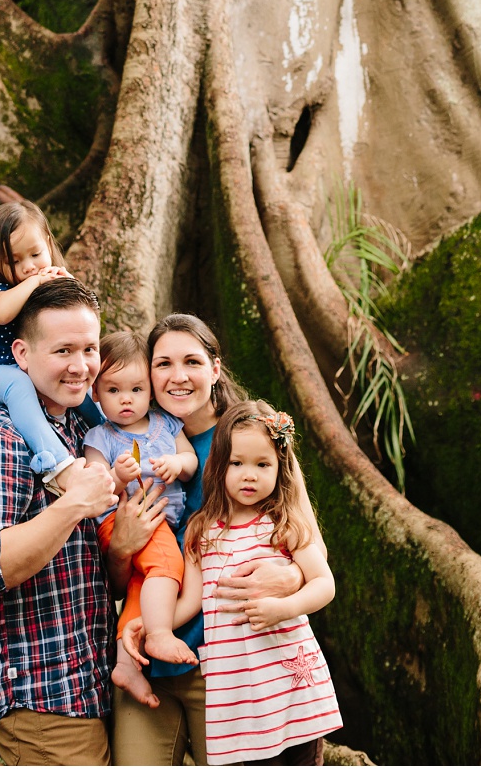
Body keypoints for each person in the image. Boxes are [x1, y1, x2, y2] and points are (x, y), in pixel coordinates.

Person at [0, 275, 129, 765]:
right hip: (42, 702)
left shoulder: (81, 429)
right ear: (21, 355)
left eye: (89, 349)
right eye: (63, 350)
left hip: (101, 688)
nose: (81, 366)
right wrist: (72, 504)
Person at [109, 314, 315, 767]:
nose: (177, 376)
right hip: (148, 663)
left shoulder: (255, 440)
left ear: (215, 369)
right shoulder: (128, 438)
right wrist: (121, 550)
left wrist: (291, 576)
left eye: (192, 362)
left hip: (231, 665)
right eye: (163, 364)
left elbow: (307, 545)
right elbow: (114, 579)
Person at [173, 400, 340, 767]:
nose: (249, 475)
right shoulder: (202, 532)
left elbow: (323, 583)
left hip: (291, 688)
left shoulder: (284, 524)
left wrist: (284, 607)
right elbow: (190, 600)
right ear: (218, 466)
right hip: (236, 699)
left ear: (281, 469)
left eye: (262, 464)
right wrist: (148, 624)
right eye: (237, 463)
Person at [0, 199, 96, 492]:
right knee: (17, 384)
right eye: (15, 261)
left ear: (48, 244)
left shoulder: (43, 279)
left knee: (85, 386)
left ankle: (111, 429)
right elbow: (2, 313)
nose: (28, 267)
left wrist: (65, 282)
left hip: (17, 367)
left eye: (36, 254)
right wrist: (38, 280)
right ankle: (57, 464)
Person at [82, 327, 198, 667]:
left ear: (150, 389)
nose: (126, 398)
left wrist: (176, 463)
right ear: (96, 394)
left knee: (140, 587)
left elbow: (190, 462)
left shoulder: (167, 424)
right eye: (113, 390)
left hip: (157, 521)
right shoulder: (100, 437)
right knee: (167, 566)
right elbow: (96, 490)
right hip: (130, 522)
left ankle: (125, 664)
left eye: (136, 389)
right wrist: (117, 477)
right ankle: (159, 634)